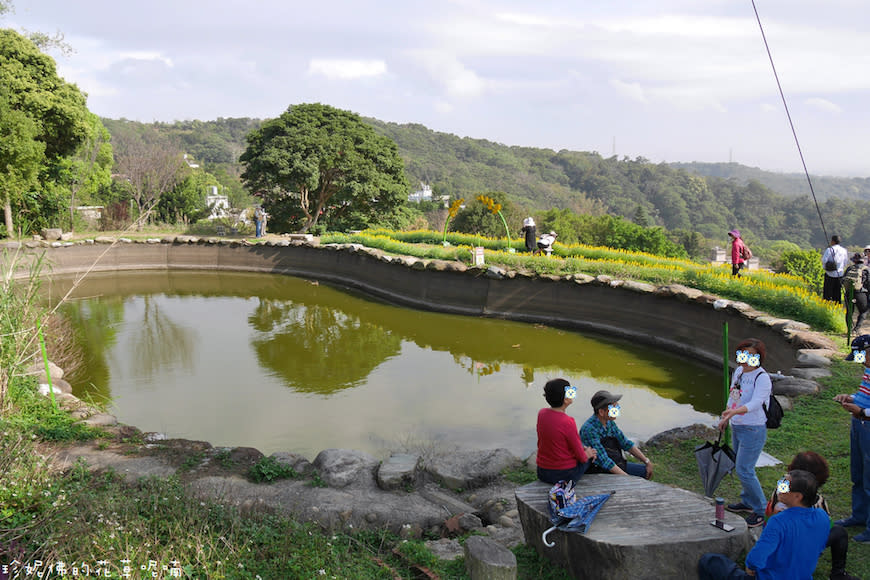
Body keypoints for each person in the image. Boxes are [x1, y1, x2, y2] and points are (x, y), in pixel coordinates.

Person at [698, 470, 831, 579]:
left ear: (798, 496)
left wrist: (751, 567)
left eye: (784, 485)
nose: (779, 487)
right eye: (781, 482)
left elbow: (755, 559)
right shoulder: (823, 517)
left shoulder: (779, 522)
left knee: (709, 561)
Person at [765, 451, 857, 580]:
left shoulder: (781, 488)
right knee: (839, 532)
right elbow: (825, 526)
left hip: (776, 542)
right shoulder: (816, 501)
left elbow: (769, 512)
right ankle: (838, 574)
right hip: (798, 548)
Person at [718, 338, 772, 528]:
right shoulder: (739, 372)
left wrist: (734, 412)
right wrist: (726, 416)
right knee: (742, 466)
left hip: (753, 428)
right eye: (742, 353)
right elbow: (734, 395)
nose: (745, 358)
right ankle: (747, 502)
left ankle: (761, 509)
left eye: (750, 355)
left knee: (744, 469)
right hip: (738, 426)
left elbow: (756, 403)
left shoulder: (762, 377)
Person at [834, 333, 870, 544]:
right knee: (857, 473)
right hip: (859, 423)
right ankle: (859, 515)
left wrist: (862, 412)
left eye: (862, 356)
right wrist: (851, 398)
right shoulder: (868, 368)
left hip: (866, 422)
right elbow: (865, 395)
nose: (861, 362)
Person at [536, 378, 597, 485]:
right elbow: (582, 458)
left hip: (542, 471)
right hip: (564, 475)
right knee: (592, 456)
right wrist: (588, 453)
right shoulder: (568, 422)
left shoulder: (542, 414)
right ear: (565, 399)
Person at [580, 390, 654, 478]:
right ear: (601, 412)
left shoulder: (609, 423)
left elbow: (625, 443)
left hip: (615, 463)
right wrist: (628, 478)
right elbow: (604, 461)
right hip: (598, 469)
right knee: (632, 482)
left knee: (645, 471)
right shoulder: (589, 429)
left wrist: (646, 461)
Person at [843, 253, 870, 331]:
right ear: (863, 261)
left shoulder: (849, 268)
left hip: (849, 293)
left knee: (849, 311)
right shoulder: (866, 269)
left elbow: (843, 280)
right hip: (861, 294)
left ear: (854, 261)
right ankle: (856, 329)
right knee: (864, 311)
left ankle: (849, 330)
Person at [822, 235, 849, 303]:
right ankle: (837, 307)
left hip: (829, 274)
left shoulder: (829, 249)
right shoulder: (844, 250)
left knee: (827, 293)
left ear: (832, 241)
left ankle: (826, 306)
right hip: (840, 274)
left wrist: (825, 267)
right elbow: (845, 262)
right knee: (837, 293)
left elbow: (824, 260)